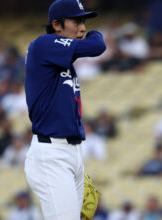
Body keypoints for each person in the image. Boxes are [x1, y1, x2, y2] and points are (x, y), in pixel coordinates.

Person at [24, 0, 106, 219]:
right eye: (77, 21)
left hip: (73, 153)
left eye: (85, 22)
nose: (83, 27)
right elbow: (97, 45)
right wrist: (96, 33)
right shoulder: (43, 45)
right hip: (52, 154)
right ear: (57, 25)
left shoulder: (61, 60)